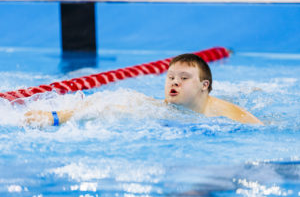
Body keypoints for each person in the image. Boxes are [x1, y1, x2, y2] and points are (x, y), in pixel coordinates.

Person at [25, 54, 263, 126]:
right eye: (170, 77)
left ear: (204, 86)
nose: (174, 82)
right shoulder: (158, 107)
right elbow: (104, 106)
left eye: (183, 78)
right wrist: (54, 117)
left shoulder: (226, 112)